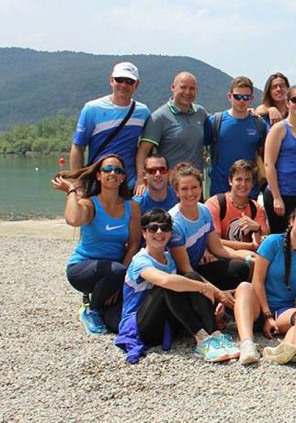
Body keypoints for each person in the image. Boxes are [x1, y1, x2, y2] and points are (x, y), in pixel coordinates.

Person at [115, 208, 237, 364]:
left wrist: (211, 295)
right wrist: (205, 287)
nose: (159, 232)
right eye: (153, 228)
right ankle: (201, 339)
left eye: (165, 228)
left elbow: (187, 283)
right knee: (169, 284)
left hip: (166, 321)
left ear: (170, 233)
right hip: (141, 326)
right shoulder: (140, 260)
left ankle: (215, 335)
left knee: (189, 278)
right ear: (144, 233)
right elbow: (166, 281)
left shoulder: (168, 258)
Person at [52, 154, 141, 333]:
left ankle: (99, 308)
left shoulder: (131, 207)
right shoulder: (90, 204)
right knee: (116, 270)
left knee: (116, 324)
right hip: (82, 269)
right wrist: (71, 191)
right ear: (99, 175)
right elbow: (73, 219)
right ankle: (90, 309)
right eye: (107, 169)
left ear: (123, 177)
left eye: (118, 170)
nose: (112, 173)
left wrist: (120, 282)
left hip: (115, 272)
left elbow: (133, 245)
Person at [233, 204, 296, 365]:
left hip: (283, 310)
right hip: (258, 306)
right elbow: (257, 282)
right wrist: (267, 315)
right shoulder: (273, 242)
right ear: (291, 221)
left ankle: (288, 348)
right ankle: (247, 345)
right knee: (244, 287)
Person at [167, 163, 254, 292]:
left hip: (197, 268)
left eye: (194, 187)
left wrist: (247, 257)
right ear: (177, 192)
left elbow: (217, 248)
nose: (190, 193)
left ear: (201, 188)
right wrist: (218, 294)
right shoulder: (174, 222)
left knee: (240, 267)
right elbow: (186, 270)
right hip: (179, 277)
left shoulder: (204, 210)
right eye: (184, 189)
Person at [71, 62, 151, 189]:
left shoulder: (143, 112)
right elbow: (78, 147)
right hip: (98, 183)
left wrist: (142, 179)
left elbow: (146, 149)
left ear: (137, 84)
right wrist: (78, 185)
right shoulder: (92, 109)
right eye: (119, 80)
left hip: (129, 185)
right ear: (111, 80)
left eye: (129, 81)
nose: (123, 85)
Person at [135, 72, 207, 194]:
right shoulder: (159, 117)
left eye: (192, 88)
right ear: (173, 87)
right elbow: (143, 151)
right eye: (183, 87)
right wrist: (141, 180)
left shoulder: (201, 113)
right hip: (168, 189)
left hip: (194, 188)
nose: (187, 92)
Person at [263, 85, 296, 233]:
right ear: (287, 103)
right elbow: (269, 164)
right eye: (295, 99)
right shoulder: (279, 129)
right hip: (281, 195)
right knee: (280, 239)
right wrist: (277, 197)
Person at [207, 76, 269, 198]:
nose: (241, 101)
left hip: (249, 192)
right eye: (237, 96)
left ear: (251, 98)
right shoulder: (215, 121)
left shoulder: (259, 124)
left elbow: (264, 154)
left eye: (246, 97)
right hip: (220, 192)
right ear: (229, 96)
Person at [205, 159, 269, 251]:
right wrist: (250, 246)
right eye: (239, 179)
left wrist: (257, 229)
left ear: (252, 184)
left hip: (249, 258)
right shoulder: (215, 204)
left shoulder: (256, 208)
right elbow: (215, 242)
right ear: (230, 181)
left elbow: (264, 243)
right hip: (222, 257)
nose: (243, 184)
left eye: (247, 180)